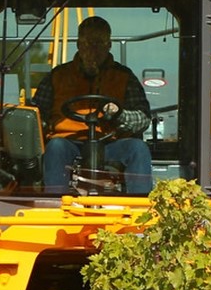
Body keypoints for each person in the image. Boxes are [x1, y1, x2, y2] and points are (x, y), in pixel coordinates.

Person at [30, 15, 154, 194]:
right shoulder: (58, 76)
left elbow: (143, 118)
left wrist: (120, 114)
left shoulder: (124, 77)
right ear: (79, 44)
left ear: (109, 45)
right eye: (88, 43)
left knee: (138, 148)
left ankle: (140, 206)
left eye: (99, 43)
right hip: (68, 142)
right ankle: (54, 202)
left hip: (111, 143)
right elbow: (37, 114)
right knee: (54, 147)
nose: (93, 49)